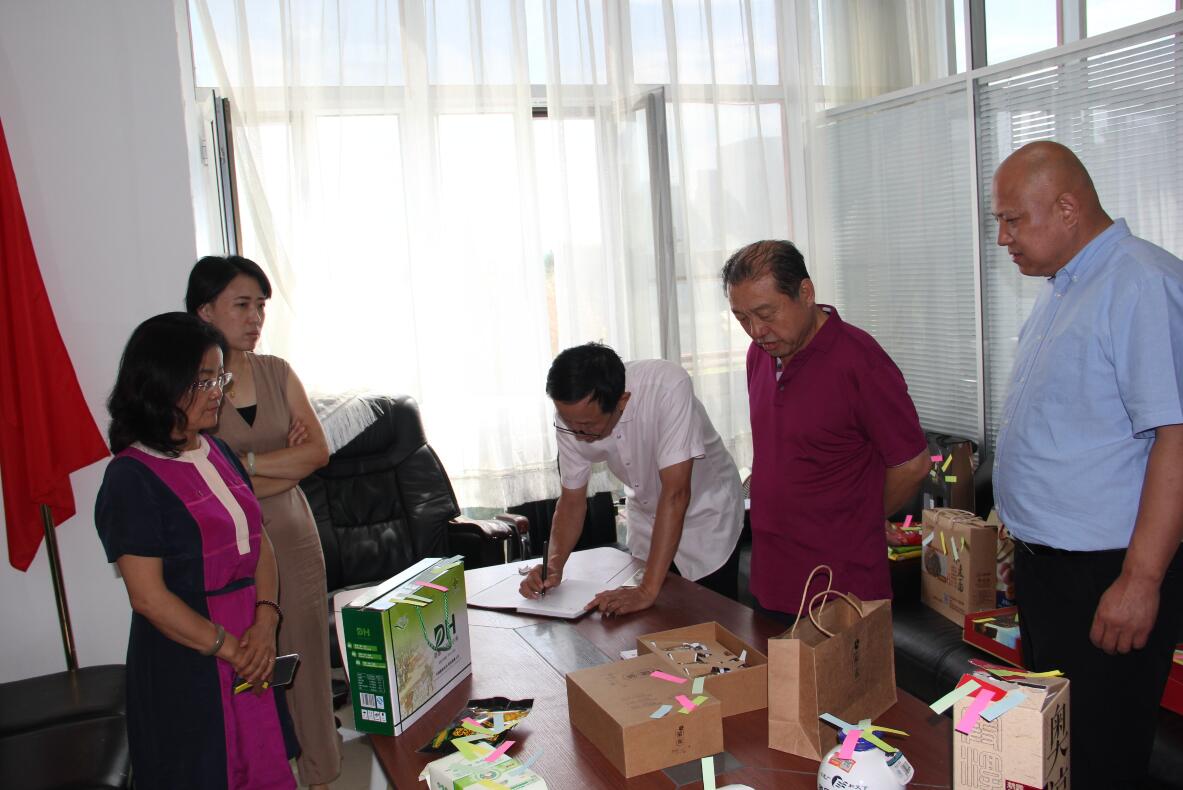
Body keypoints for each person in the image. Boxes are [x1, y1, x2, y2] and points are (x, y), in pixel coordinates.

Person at [991, 141, 1183, 788]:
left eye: (1013, 219)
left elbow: (1176, 438)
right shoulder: (1065, 288)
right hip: (1051, 573)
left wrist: (1141, 580)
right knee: (1056, 755)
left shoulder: (1141, 284)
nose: (1002, 237)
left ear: (1068, 208)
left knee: (1101, 760)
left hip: (1109, 573)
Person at [96, 312, 296, 789]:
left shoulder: (218, 451)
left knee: (263, 763)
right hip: (187, 657)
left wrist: (266, 621)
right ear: (162, 384)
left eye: (220, 378)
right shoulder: (130, 477)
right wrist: (231, 649)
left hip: (251, 643)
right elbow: (148, 598)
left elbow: (259, 541)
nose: (218, 392)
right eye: (204, 380)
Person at [186, 255, 341, 788]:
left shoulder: (277, 371)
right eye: (242, 305)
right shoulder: (193, 387)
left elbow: (318, 453)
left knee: (307, 664)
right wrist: (280, 464)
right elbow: (203, 478)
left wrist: (243, 465)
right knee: (248, 667)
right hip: (232, 545)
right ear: (205, 310)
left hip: (294, 538)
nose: (255, 318)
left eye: (260, 306)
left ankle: (321, 772)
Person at [722, 240, 930, 621]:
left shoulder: (859, 360)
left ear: (806, 293)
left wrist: (862, 517)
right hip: (771, 577)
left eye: (766, 313)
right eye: (742, 318)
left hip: (841, 587)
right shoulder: (759, 357)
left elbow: (912, 464)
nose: (756, 330)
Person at [519, 343, 744, 615]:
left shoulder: (667, 387)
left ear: (622, 402)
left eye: (587, 426)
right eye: (569, 423)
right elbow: (571, 501)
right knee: (649, 620)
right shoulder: (573, 416)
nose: (577, 433)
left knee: (709, 617)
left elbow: (676, 493)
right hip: (647, 517)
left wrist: (647, 590)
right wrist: (553, 565)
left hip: (706, 515)